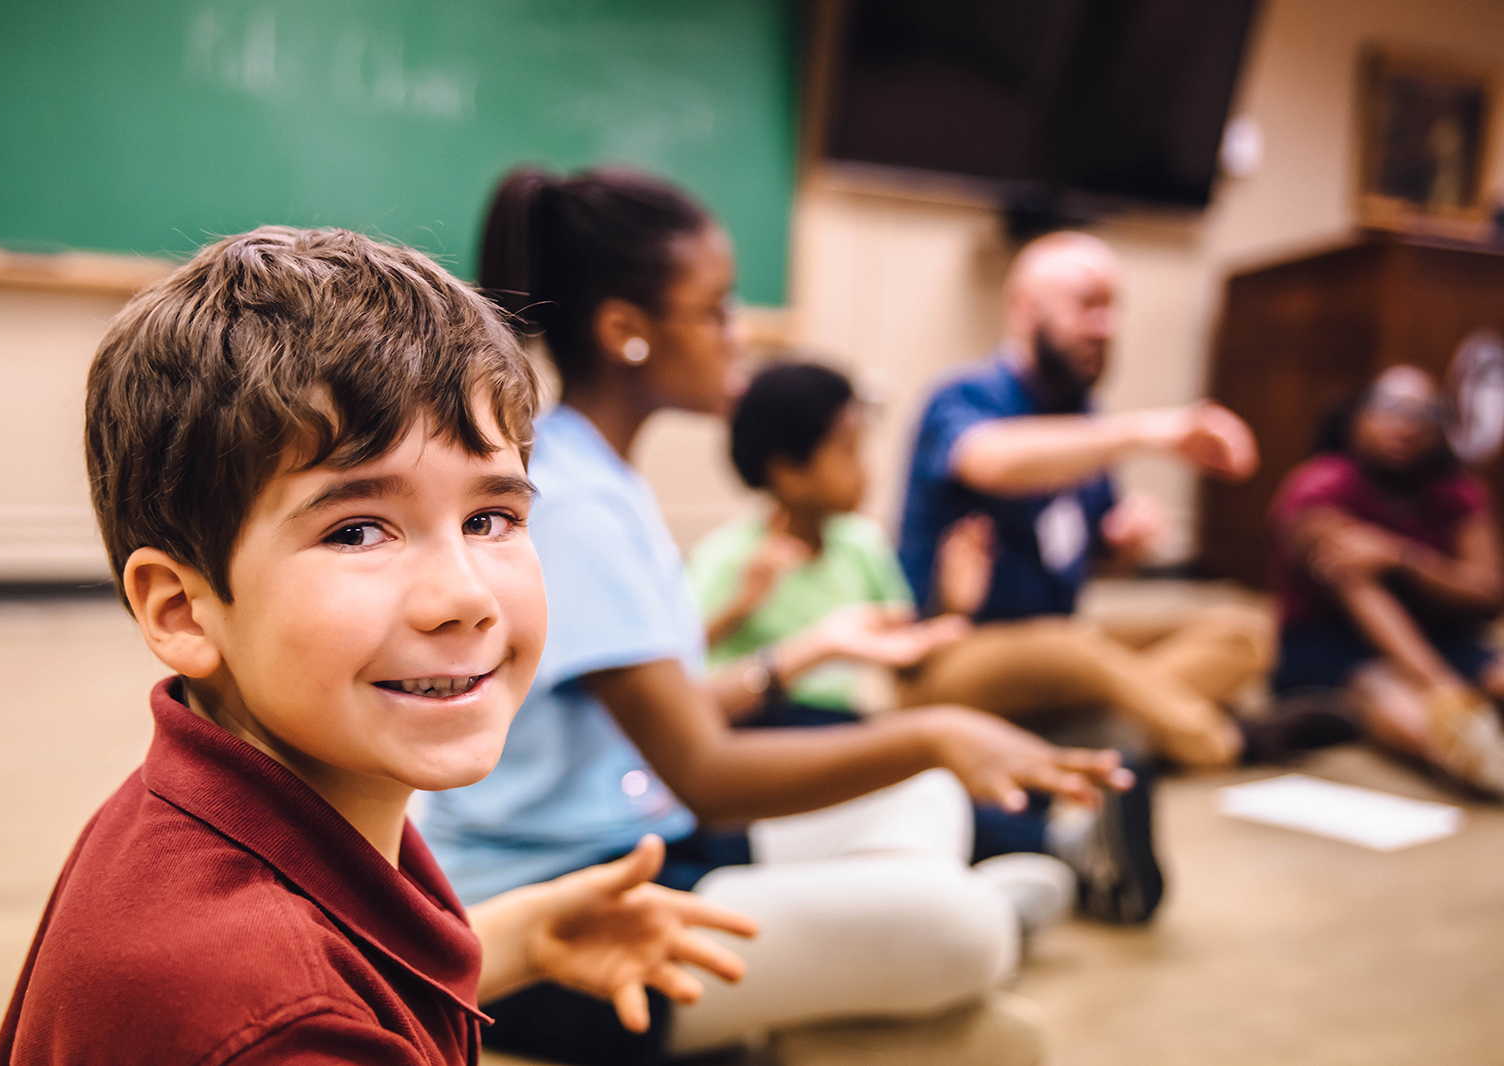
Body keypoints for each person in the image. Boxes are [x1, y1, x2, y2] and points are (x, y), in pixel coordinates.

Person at [0, 227, 761, 1065]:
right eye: (358, 531)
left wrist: (522, 937)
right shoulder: (279, 1024)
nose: (464, 597)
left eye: (490, 519)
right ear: (181, 610)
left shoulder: (241, 798)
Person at [422, 168, 1134, 1066]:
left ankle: (837, 999)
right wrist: (937, 730)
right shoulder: (574, 503)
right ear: (625, 332)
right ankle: (892, 977)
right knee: (966, 936)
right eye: (717, 309)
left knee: (918, 806)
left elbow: (658, 723)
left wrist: (795, 660)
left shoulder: (604, 476)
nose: (738, 334)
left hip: (646, 840)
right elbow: (708, 771)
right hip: (567, 919)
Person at [691, 359, 1165, 923]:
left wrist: (951, 605)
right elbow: (678, 676)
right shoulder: (730, 556)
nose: (864, 471)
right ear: (788, 471)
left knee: (923, 766)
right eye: (846, 452)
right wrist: (740, 605)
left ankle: (1039, 846)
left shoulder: (860, 544)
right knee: (907, 778)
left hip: (856, 717)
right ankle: (1055, 847)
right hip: (769, 727)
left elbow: (904, 639)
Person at [896, 230, 1273, 769]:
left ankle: (1091, 734)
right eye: (1088, 306)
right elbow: (991, 460)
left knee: (1241, 635)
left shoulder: (1089, 420)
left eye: (1113, 308)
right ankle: (1213, 739)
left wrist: (1121, 545)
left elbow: (1089, 552)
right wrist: (1147, 431)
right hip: (945, 658)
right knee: (1067, 648)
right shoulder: (962, 395)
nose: (1106, 327)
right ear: (1026, 309)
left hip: (1062, 656)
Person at [1270, 364, 1504, 796]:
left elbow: (1487, 593)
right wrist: (1444, 691)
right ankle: (1479, 766)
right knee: (1403, 706)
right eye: (1389, 408)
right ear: (1357, 416)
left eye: (1425, 415)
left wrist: (1398, 557)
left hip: (1442, 635)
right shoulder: (1320, 485)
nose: (1406, 426)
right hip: (1333, 642)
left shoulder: (1458, 492)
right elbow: (1354, 584)